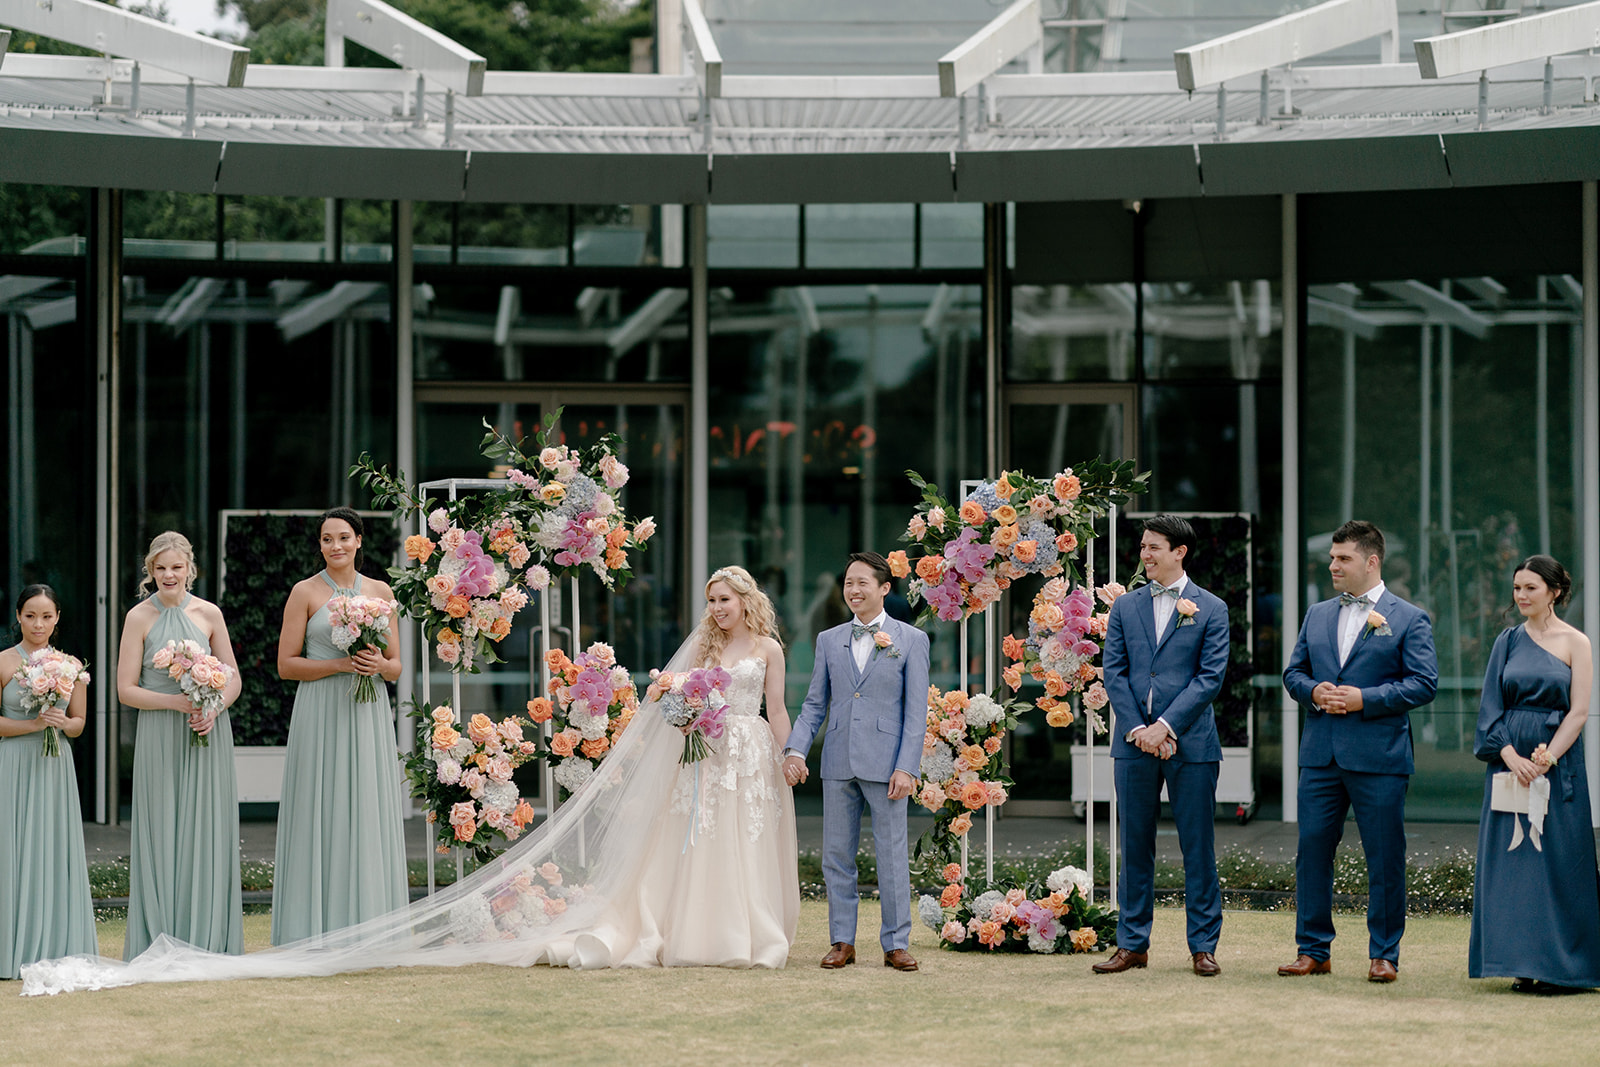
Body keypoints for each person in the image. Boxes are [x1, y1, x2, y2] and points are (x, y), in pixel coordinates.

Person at [20, 564, 798, 993]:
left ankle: (738, 931)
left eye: (725, 600)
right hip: (704, 759)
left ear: (746, 602)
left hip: (745, 765)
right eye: (712, 600)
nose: (718, 610)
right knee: (695, 846)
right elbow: (666, 689)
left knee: (732, 847)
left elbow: (774, 711)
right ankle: (696, 931)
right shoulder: (696, 652)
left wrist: (785, 754)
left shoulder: (764, 651)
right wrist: (682, 700)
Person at [1279, 520, 1437, 983]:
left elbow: (1424, 684)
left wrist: (1364, 698)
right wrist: (1314, 691)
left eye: (1343, 558)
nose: (1333, 565)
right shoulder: (1318, 613)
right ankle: (1313, 950)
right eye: (1332, 557)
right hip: (1321, 755)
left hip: (1380, 757)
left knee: (1384, 857)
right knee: (1311, 853)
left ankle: (1384, 954)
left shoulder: (1409, 617)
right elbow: (1293, 673)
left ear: (1371, 561)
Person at [1093, 515, 1230, 977]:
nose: (1145, 554)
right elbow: (1114, 672)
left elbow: (1209, 679)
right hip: (1134, 745)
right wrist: (1138, 730)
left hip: (1191, 745)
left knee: (1198, 846)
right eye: (1144, 547)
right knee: (1134, 847)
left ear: (1180, 552)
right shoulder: (1125, 608)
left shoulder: (1211, 608)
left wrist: (1166, 727)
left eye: (1154, 547)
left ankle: (1203, 945)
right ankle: (1132, 944)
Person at [783, 551, 931, 972]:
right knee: (836, 856)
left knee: (891, 856)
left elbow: (915, 712)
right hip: (838, 760)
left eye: (862, 582)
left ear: (885, 588)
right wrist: (795, 748)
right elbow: (814, 704)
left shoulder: (911, 639)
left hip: (888, 765)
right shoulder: (829, 640)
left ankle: (896, 943)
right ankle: (842, 941)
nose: (854, 590)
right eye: (848, 582)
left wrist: (907, 766)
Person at [271, 507, 408, 943]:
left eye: (344, 537)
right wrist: (339, 664)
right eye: (328, 539)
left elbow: (397, 668)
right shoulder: (304, 592)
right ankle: (314, 924)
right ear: (320, 544)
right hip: (320, 711)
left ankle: (370, 923)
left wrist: (377, 663)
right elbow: (286, 665)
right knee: (320, 805)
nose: (336, 546)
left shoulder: (381, 590)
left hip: (366, 714)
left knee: (365, 805)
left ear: (360, 541)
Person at [1469, 555, 1600, 991]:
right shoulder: (1505, 642)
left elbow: (1579, 711)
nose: (1521, 596)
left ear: (1554, 592)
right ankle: (1521, 963)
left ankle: (1563, 968)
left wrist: (1547, 759)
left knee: (1559, 861)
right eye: (1517, 588)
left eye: (1531, 588)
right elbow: (1490, 709)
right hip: (1508, 766)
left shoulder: (1576, 642)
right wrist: (1510, 757)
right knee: (1514, 865)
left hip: (1557, 766)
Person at [117, 531, 244, 959]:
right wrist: (175, 702)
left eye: (176, 567)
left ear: (190, 568)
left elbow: (233, 677)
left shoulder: (210, 614)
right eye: (160, 568)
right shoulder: (138, 617)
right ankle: (159, 936)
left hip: (206, 732)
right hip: (159, 733)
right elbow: (125, 691)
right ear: (150, 572)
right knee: (162, 830)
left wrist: (214, 708)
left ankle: (206, 936)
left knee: (204, 830)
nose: (168, 575)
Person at [0, 586, 97, 978]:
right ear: (19, 617)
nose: (38, 624)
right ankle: (11, 946)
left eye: (46, 616)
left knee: (51, 848)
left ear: (57, 618)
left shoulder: (71, 665)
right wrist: (32, 724)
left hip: (54, 766)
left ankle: (55, 943)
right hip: (13, 765)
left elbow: (78, 724)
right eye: (30, 616)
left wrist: (61, 723)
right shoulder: (4, 661)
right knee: (13, 849)